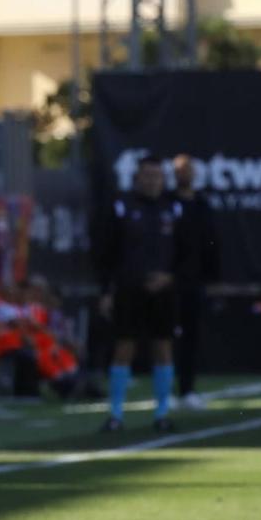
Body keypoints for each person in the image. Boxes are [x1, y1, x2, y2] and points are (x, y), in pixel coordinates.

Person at [96, 155, 192, 433]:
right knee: (124, 346)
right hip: (129, 289)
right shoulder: (121, 207)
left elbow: (187, 252)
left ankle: (162, 412)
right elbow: (106, 253)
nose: (152, 180)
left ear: (163, 179)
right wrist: (107, 290)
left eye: (157, 175)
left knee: (163, 346)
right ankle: (116, 414)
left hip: (163, 290)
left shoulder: (174, 208)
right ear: (136, 178)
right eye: (147, 175)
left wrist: (169, 276)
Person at [168, 154, 221, 411]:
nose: (184, 174)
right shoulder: (166, 203)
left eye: (187, 170)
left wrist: (211, 277)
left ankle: (187, 389)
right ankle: (165, 390)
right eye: (179, 170)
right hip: (168, 282)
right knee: (165, 338)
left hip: (194, 281)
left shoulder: (202, 204)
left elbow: (211, 243)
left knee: (191, 336)